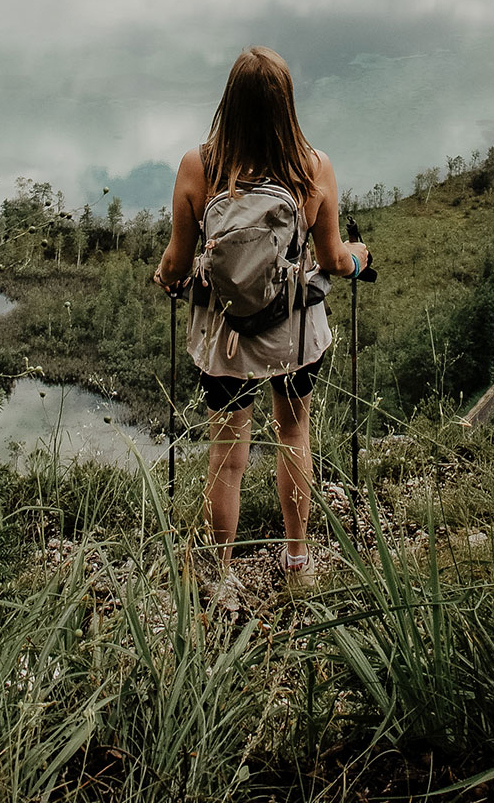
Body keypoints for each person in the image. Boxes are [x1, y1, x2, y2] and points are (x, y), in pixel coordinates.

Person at [153, 46, 369, 585]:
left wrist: (165, 275)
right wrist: (361, 258)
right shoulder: (312, 169)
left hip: (224, 340)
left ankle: (219, 577)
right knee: (294, 433)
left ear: (229, 103)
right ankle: (297, 561)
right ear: (286, 106)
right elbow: (333, 260)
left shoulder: (197, 168)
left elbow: (178, 263)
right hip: (292, 336)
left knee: (226, 454)